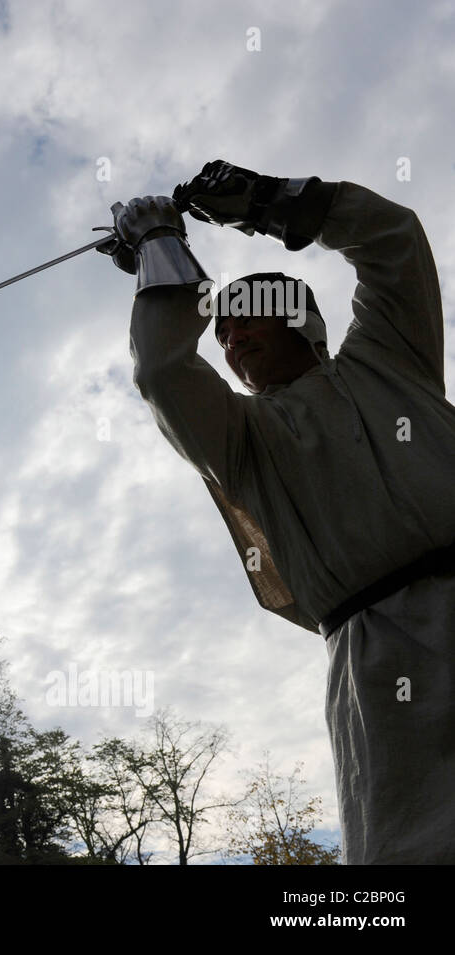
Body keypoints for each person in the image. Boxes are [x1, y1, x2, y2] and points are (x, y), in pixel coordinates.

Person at [101, 160, 455, 864]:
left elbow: (394, 241)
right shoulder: (240, 441)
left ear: (300, 318)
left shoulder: (392, 357)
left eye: (244, 319)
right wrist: (159, 248)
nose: (229, 341)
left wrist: (271, 204)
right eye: (220, 333)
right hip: (379, 666)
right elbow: (164, 370)